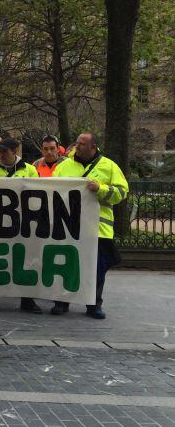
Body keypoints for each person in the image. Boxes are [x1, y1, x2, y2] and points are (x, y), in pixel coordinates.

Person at [51, 133, 128, 319]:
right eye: (77, 143)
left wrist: (101, 189)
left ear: (93, 146)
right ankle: (62, 302)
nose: (78, 146)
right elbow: (50, 189)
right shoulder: (64, 166)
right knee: (67, 265)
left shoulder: (109, 166)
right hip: (69, 228)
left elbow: (121, 192)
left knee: (97, 268)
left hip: (98, 230)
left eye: (82, 143)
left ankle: (94, 304)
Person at [0, 137, 42, 314]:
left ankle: (27, 299)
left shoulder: (30, 170)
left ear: (15, 151)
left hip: (23, 223)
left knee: (25, 258)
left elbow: (38, 194)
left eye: (4, 150)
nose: (0, 153)